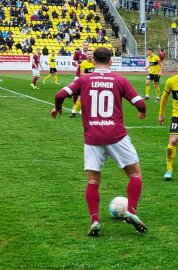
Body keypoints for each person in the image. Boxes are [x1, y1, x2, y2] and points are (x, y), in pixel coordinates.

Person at [51, 47, 148, 236]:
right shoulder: (120, 80)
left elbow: (59, 95)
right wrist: (142, 111)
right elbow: (140, 103)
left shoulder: (83, 80)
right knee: (135, 175)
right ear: (111, 61)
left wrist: (57, 109)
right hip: (116, 136)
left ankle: (95, 220)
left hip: (92, 137)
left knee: (93, 181)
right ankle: (132, 210)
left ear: (93, 62)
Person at [69, 49, 95, 118]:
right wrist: (92, 74)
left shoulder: (96, 63)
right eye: (88, 54)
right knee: (80, 98)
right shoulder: (83, 63)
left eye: (90, 54)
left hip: (94, 83)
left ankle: (86, 111)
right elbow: (82, 74)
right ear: (86, 55)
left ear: (93, 55)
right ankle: (73, 112)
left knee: (92, 98)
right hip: (85, 83)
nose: (89, 55)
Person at [69, 41, 89, 117]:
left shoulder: (90, 54)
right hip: (78, 75)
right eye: (84, 45)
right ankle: (75, 105)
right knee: (75, 92)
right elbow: (73, 62)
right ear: (82, 46)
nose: (85, 46)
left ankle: (82, 109)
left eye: (86, 45)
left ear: (88, 46)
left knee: (85, 93)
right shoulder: (78, 53)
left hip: (87, 76)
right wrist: (77, 65)